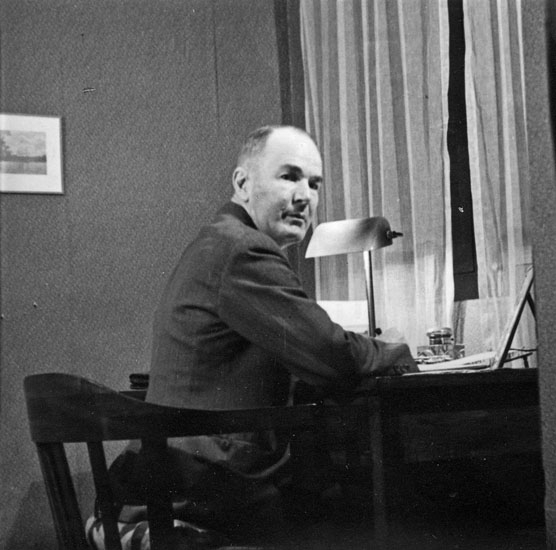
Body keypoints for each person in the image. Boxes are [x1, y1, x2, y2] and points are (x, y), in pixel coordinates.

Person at [89, 125, 417, 548]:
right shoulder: (242, 249)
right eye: (289, 176)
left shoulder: (220, 241)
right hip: (190, 498)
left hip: (161, 485)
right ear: (242, 184)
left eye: (314, 184)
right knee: (375, 510)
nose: (305, 196)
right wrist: (400, 353)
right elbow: (332, 355)